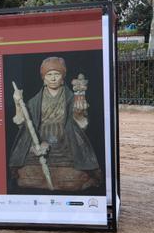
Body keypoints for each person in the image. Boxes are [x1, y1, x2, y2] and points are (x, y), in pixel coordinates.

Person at [8, 56, 101, 191]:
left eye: (56, 74)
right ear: (43, 78)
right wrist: (17, 103)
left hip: (66, 143)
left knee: (75, 176)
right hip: (39, 142)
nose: (52, 78)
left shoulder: (70, 98)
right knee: (25, 174)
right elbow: (23, 124)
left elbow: (81, 126)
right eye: (49, 74)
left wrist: (78, 114)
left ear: (62, 76)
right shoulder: (35, 101)